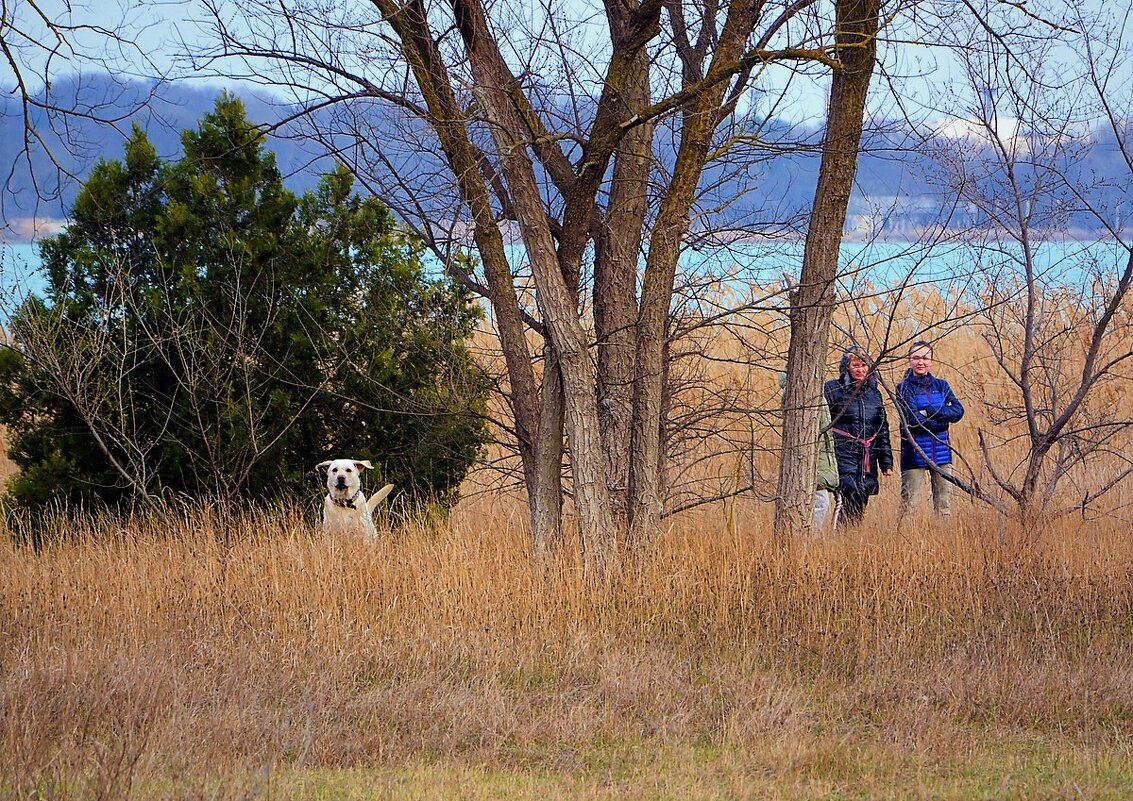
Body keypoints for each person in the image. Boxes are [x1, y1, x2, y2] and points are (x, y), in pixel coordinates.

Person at [823, 346, 893, 526]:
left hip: (867, 457)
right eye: (855, 365)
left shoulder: (874, 394)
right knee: (844, 500)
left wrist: (886, 463)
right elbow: (822, 422)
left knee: (861, 500)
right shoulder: (832, 389)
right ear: (846, 367)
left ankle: (851, 540)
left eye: (864, 365)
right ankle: (837, 540)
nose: (860, 369)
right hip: (842, 454)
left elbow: (882, 428)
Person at [895, 340, 965, 516]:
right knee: (909, 506)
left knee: (944, 506)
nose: (921, 362)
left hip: (942, 452)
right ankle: (904, 542)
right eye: (916, 358)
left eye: (925, 358)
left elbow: (958, 411)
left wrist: (931, 410)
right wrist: (943, 421)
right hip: (914, 452)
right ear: (909, 360)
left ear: (931, 360)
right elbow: (913, 420)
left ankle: (944, 540)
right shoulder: (903, 388)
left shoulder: (942, 386)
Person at [780, 372, 840, 530]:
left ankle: (811, 538)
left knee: (821, 503)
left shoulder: (816, 393)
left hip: (819, 460)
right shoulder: (797, 393)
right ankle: (809, 539)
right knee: (819, 503)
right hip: (809, 460)